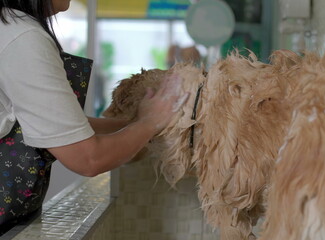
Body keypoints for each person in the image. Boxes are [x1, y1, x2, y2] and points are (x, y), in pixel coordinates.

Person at [0, 0, 188, 233]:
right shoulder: (21, 37)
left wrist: (137, 124)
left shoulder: (9, 27)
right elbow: (88, 158)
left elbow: (58, 125)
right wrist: (150, 122)